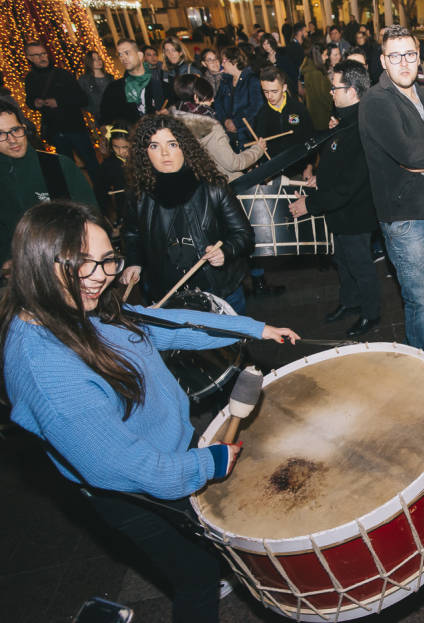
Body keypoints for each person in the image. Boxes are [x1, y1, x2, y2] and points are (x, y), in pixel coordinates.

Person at [1, 200, 298, 623]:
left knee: (211, 543)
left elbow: (163, 325)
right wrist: (207, 462)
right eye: (82, 263)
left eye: (107, 261)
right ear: (40, 262)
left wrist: (254, 329)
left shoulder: (78, 306)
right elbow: (122, 467)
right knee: (196, 576)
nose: (100, 277)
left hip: (170, 445)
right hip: (137, 492)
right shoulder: (46, 369)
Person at [358, 26, 424, 359]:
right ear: (383, 61)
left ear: (419, 57)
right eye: (395, 56)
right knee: (418, 297)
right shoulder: (376, 101)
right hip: (404, 218)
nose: (404, 63)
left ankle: (420, 340)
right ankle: (423, 357)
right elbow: (408, 153)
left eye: (410, 54)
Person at [121, 115, 254, 312]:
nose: (165, 153)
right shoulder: (138, 194)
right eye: (154, 146)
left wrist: (224, 251)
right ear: (144, 153)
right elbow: (133, 234)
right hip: (167, 296)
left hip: (218, 290)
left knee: (232, 343)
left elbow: (244, 235)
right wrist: (133, 262)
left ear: (185, 146)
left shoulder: (213, 187)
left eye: (172, 144)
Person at [290, 60, 380, 337]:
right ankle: (350, 302)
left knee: (361, 266)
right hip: (340, 211)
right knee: (343, 260)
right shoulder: (345, 119)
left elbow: (351, 184)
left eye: (335, 87)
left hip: (355, 212)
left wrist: (310, 204)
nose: (331, 92)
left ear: (352, 91)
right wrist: (321, 179)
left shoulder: (362, 125)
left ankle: (371, 314)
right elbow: (338, 162)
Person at [0, 99, 97, 265]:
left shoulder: (57, 165)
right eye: (1, 134)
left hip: (66, 262)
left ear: (24, 128)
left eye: (15, 130)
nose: (12, 139)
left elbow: (91, 218)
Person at [24, 42, 98, 178]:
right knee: (67, 169)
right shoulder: (30, 79)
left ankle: (102, 195)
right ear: (29, 58)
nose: (42, 57)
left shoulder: (62, 74)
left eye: (44, 53)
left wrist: (58, 102)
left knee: (91, 164)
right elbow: (29, 101)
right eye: (37, 55)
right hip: (55, 131)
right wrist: (35, 103)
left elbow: (82, 99)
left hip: (75, 128)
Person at [172, 74, 265, 181]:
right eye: (209, 97)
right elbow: (233, 164)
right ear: (196, 98)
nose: (212, 100)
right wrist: (258, 150)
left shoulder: (176, 119)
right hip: (223, 184)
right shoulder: (210, 128)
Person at [254, 66, 313, 177]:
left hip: (298, 169)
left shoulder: (299, 109)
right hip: (272, 172)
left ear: (284, 87)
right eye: (265, 91)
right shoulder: (262, 114)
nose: (269, 96)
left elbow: (310, 140)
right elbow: (258, 146)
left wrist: (309, 167)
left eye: (274, 91)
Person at [100, 39, 167, 126]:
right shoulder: (114, 89)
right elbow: (106, 119)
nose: (123, 58)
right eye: (120, 55)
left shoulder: (159, 84)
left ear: (140, 55)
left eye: (127, 53)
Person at [214, 46, 263, 151]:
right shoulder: (225, 80)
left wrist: (236, 122)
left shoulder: (252, 79)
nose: (222, 65)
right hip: (229, 134)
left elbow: (256, 106)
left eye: (224, 61)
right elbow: (217, 103)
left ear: (234, 61)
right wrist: (225, 120)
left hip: (248, 133)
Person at [160, 36, 201, 107]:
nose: (171, 54)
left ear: (181, 52)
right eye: (167, 51)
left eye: (174, 50)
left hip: (191, 110)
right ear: (165, 53)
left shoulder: (191, 69)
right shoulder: (166, 71)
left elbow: (201, 94)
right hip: (175, 112)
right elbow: (168, 96)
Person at [301, 44, 332, 130]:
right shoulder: (315, 73)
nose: (327, 57)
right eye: (325, 55)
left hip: (317, 113)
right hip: (322, 115)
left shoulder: (311, 70)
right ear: (318, 56)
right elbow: (323, 96)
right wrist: (332, 107)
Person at [77, 50, 113, 124]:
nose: (98, 61)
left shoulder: (110, 77)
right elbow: (81, 100)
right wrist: (93, 111)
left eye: (99, 58)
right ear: (89, 62)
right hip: (99, 118)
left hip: (115, 114)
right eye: (94, 60)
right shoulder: (84, 80)